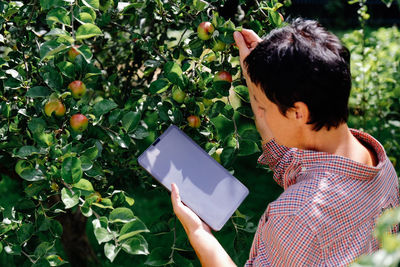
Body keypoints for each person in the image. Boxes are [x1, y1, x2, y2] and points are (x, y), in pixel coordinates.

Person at [171, 18, 400, 266]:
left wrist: (198, 233)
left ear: (297, 112)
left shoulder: (297, 215)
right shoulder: (377, 163)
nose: (259, 111)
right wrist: (260, 77)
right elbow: (291, 163)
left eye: (262, 105)